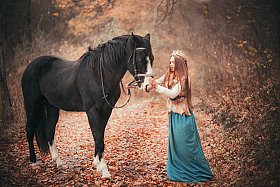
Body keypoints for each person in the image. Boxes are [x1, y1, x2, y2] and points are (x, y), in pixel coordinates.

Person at [148, 50, 213, 183]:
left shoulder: (185, 79)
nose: (171, 65)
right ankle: (178, 168)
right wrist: (137, 85)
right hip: (174, 116)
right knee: (176, 145)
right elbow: (156, 82)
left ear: (179, 64)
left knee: (186, 146)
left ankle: (195, 171)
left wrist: (156, 87)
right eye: (170, 62)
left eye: (173, 62)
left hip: (184, 117)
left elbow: (172, 94)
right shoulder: (169, 75)